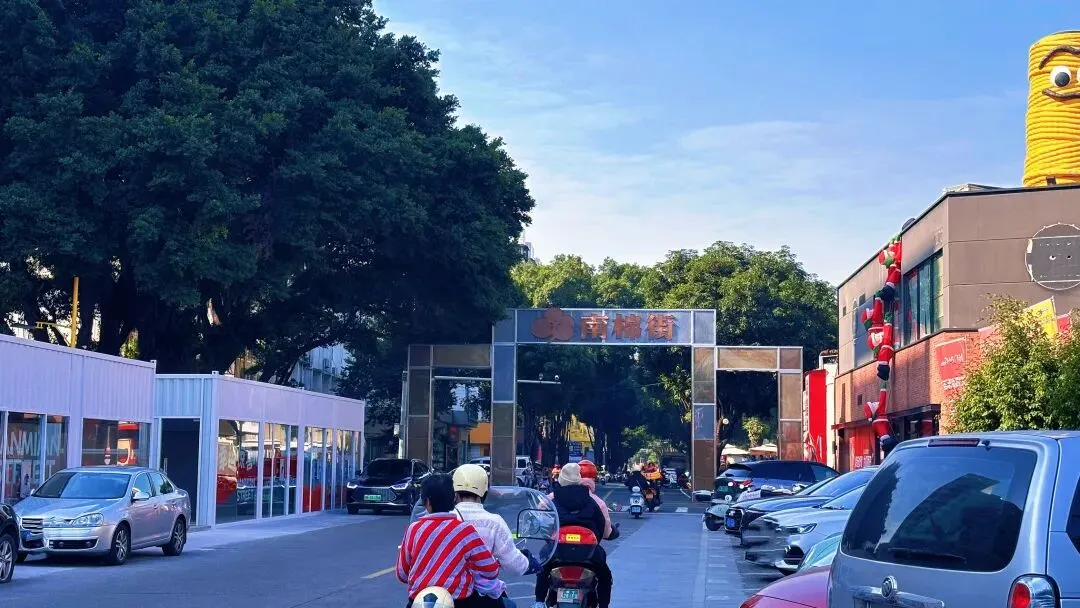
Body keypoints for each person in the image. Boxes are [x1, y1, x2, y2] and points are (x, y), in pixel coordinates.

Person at [397, 474, 502, 608]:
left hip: (418, 601)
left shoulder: (413, 529)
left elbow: (402, 574)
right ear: (454, 499)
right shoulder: (465, 530)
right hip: (460, 602)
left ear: (427, 502)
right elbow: (491, 571)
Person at [451, 464, 543, 608]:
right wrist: (528, 563)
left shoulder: (447, 519)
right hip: (483, 597)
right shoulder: (494, 522)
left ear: (454, 492)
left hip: (450, 594)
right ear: (484, 492)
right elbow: (514, 564)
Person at [534, 463, 614, 608]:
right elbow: (602, 526)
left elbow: (540, 522)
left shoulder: (549, 500)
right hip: (588, 553)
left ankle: (539, 602)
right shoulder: (594, 501)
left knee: (542, 568)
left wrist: (550, 537)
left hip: (557, 549)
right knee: (604, 575)